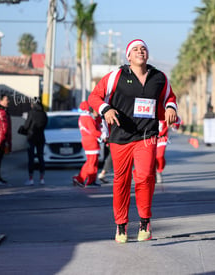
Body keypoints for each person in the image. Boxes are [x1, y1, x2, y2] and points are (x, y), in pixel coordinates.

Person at [88, 39, 178, 243]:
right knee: (122, 180)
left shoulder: (159, 77)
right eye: (135, 49)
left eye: (143, 48)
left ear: (148, 54)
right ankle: (121, 224)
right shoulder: (116, 76)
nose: (140, 51)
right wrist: (106, 109)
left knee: (146, 176)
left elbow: (169, 98)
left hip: (146, 136)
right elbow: (95, 97)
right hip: (120, 137)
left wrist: (171, 108)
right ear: (128, 56)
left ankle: (145, 222)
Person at [72, 101, 103, 188]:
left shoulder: (82, 117)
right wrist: (102, 135)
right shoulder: (88, 118)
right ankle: (89, 181)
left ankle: (80, 179)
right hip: (91, 142)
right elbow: (93, 131)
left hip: (87, 141)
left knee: (90, 162)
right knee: (92, 163)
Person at [22, 99, 48, 186]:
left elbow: (26, 125)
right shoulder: (44, 113)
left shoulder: (31, 113)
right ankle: (42, 178)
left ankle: (31, 178)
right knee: (41, 157)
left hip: (31, 137)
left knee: (31, 158)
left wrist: (24, 129)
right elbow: (45, 125)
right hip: (41, 137)